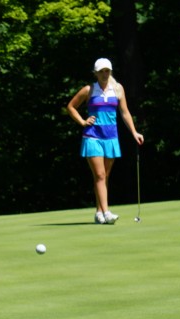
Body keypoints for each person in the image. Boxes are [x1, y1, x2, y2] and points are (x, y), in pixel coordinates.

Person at [66, 57, 144, 224]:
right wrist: (82, 122)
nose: (104, 74)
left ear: (110, 72)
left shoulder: (117, 89)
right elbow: (71, 106)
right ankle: (107, 213)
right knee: (100, 175)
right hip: (93, 136)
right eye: (101, 71)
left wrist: (134, 132)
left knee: (103, 177)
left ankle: (98, 213)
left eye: (106, 71)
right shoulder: (89, 89)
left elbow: (124, 112)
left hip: (111, 137)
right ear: (95, 73)